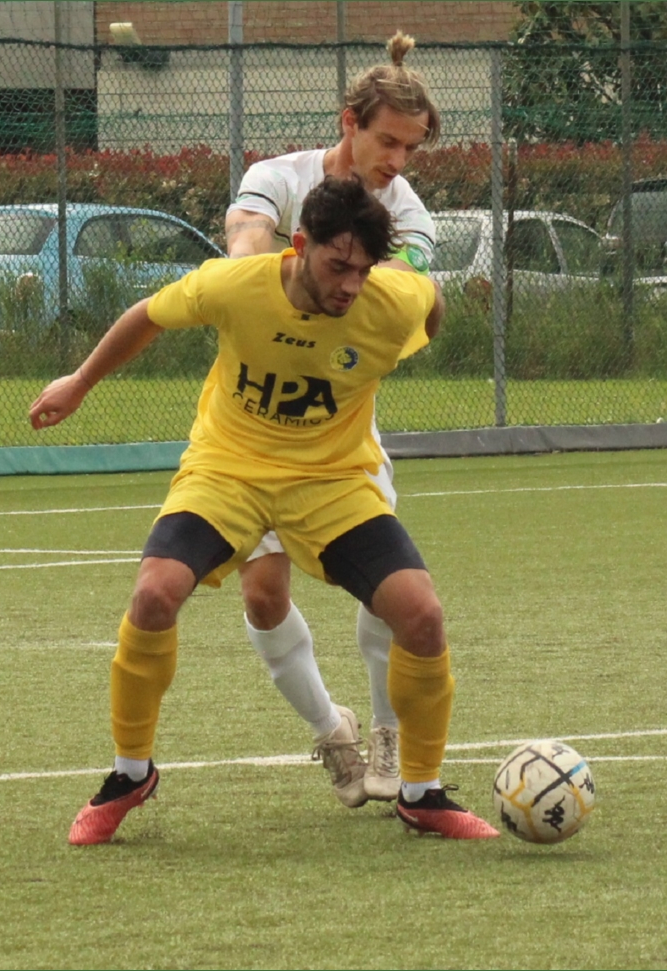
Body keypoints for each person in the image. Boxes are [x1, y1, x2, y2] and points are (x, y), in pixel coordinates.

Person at [29, 177, 499, 846]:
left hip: (330, 481)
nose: (351, 285)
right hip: (229, 470)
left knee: (421, 615)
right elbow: (149, 314)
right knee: (154, 596)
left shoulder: (387, 302)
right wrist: (79, 383)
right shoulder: (236, 285)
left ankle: (421, 793)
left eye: (364, 270)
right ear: (299, 245)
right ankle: (130, 774)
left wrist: (401, 316)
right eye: (338, 265)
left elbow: (429, 302)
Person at [224, 30, 439, 809]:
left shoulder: (407, 213)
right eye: (389, 142)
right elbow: (246, 245)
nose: (398, 161)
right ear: (350, 122)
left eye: (412, 148)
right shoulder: (273, 179)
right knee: (262, 594)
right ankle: (333, 731)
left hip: (341, 432)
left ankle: (387, 732)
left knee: (386, 590)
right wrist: (267, 278)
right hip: (255, 423)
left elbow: (402, 289)